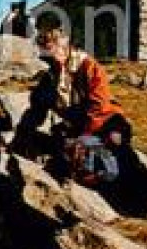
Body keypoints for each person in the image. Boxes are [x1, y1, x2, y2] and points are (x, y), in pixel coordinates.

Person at [18, 26, 133, 185]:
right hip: (78, 127)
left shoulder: (89, 67)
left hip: (105, 124)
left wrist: (83, 138)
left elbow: (99, 107)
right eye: (47, 51)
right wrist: (22, 134)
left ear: (66, 45)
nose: (53, 54)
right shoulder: (50, 78)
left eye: (55, 47)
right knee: (67, 155)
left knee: (111, 159)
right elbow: (37, 109)